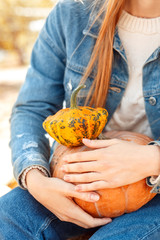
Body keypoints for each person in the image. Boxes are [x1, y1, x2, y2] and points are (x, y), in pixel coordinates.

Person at [0, 0, 160, 239]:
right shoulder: (72, 14)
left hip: (155, 189)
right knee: (9, 217)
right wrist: (36, 179)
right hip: (75, 181)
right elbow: (34, 108)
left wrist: (152, 159)